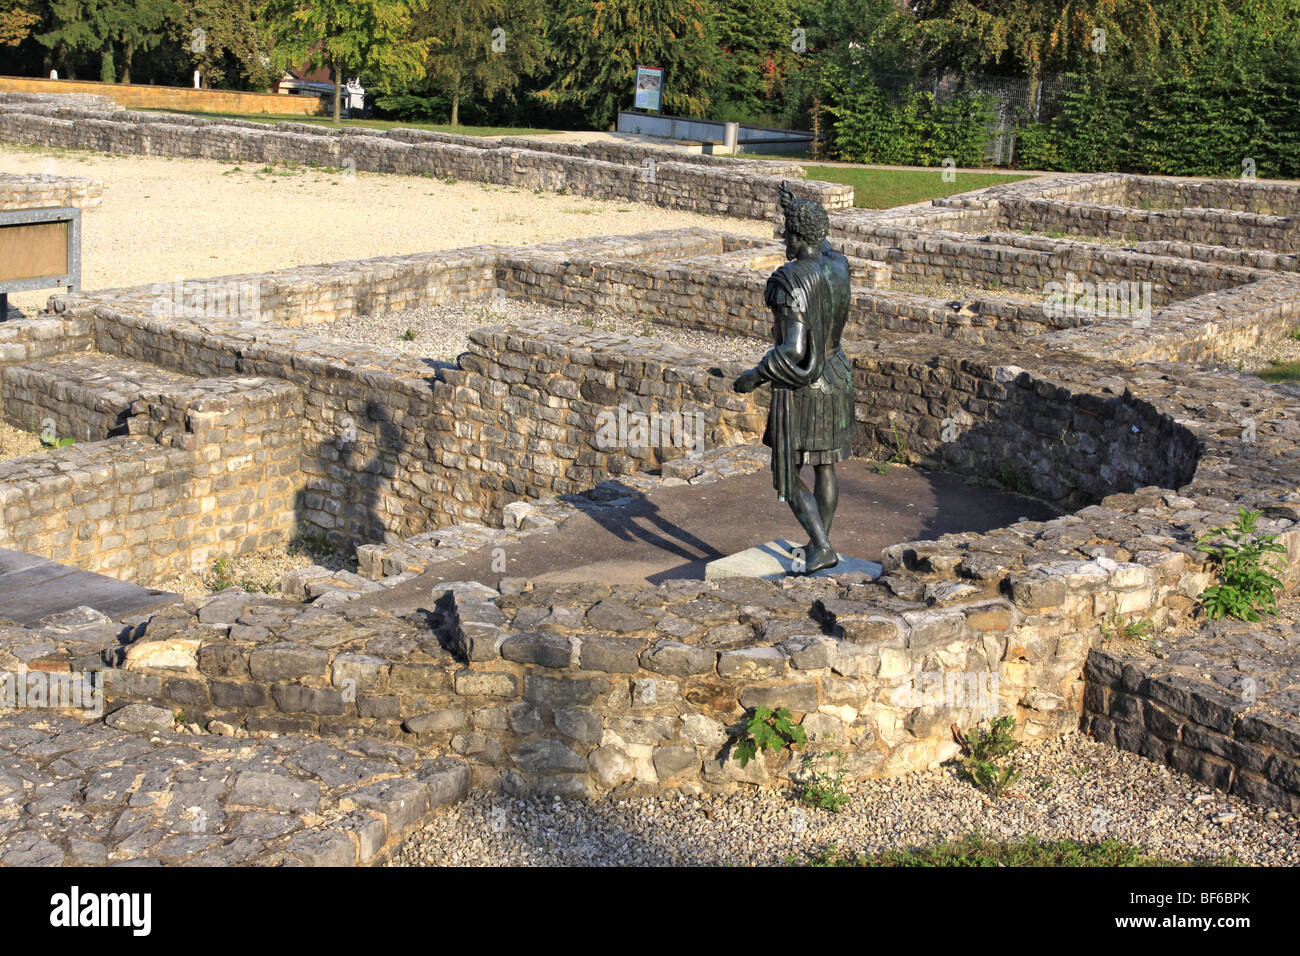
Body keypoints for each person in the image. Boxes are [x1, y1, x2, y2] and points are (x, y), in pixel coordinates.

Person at [734, 182, 853, 574]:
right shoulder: (838, 265)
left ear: (796, 236)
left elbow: (793, 350)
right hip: (837, 373)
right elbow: (824, 243)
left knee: (785, 470)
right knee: (825, 465)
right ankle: (822, 542)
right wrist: (797, 210)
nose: (784, 240)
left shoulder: (790, 281)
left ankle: (821, 545)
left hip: (805, 386)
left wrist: (755, 375)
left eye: (787, 233)